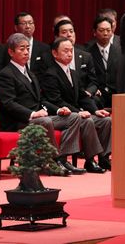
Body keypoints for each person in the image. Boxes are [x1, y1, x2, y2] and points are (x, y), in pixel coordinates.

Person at [0, 33, 85, 175]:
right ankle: (53, 161)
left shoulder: (30, 73)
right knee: (44, 120)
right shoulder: (5, 74)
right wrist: (32, 114)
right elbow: (8, 103)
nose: (26, 52)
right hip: (19, 121)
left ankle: (62, 159)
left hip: (39, 118)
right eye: (21, 49)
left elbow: (41, 100)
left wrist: (58, 110)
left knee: (74, 117)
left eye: (28, 48)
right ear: (11, 52)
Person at [42, 37, 112, 173]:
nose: (69, 54)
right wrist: (78, 112)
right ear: (55, 53)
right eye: (65, 51)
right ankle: (89, 159)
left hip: (76, 112)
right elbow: (56, 101)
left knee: (106, 120)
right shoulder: (50, 74)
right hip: (62, 114)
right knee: (87, 121)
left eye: (71, 51)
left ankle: (103, 158)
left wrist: (95, 110)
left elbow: (82, 96)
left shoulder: (73, 72)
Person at [87, 16, 121, 108]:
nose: (105, 33)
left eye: (108, 30)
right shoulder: (88, 52)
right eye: (101, 30)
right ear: (94, 32)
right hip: (98, 96)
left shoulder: (121, 51)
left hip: (117, 95)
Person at [14, 12, 50, 76]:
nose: (28, 26)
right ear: (16, 27)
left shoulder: (45, 48)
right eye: (24, 23)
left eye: (30, 23)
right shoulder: (11, 47)